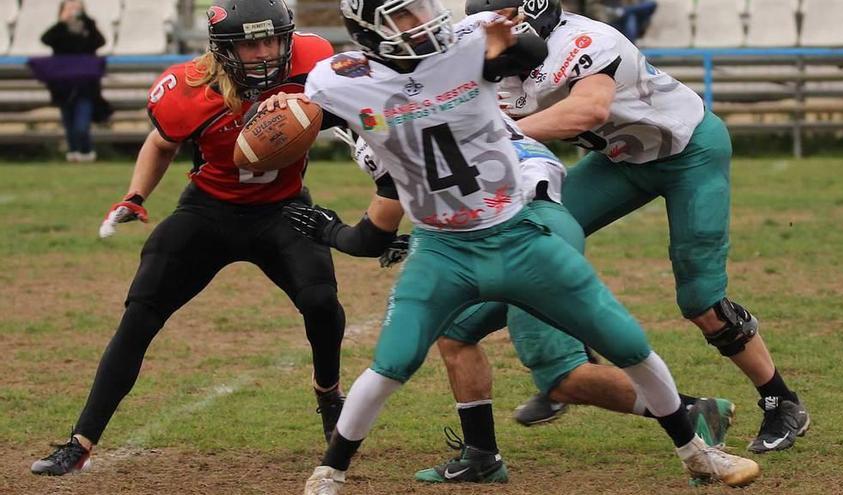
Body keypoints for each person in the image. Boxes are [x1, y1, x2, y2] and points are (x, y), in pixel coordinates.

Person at [258, 2, 759, 492]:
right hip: (442, 248)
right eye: (403, 14)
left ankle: (698, 454)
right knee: (391, 364)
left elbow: (527, 49)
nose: (422, 20)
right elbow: (310, 107)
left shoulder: (464, 46)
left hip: (518, 231)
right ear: (369, 28)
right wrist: (277, 110)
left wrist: (508, 42)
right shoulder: (340, 79)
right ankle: (329, 474)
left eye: (420, 8)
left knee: (627, 342)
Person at [465, 0, 810, 454]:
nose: (495, 33)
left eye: (503, 20)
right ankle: (566, 367)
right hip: (620, 158)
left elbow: (587, 111)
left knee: (700, 300)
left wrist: (502, 133)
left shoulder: (585, 40)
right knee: (533, 235)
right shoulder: (490, 47)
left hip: (688, 152)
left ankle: (781, 400)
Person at [30, 0, 346, 476]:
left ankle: (328, 392)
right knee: (141, 312)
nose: (264, 52)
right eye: (249, 43)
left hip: (283, 208)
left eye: (272, 40)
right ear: (223, 49)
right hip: (210, 210)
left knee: (322, 303)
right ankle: (80, 440)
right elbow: (161, 142)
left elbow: (358, 108)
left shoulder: (312, 59)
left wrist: (317, 112)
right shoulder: (188, 89)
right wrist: (135, 194)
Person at [325, 119, 737, 485]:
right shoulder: (458, 99)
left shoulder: (408, 122)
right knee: (456, 332)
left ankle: (695, 414)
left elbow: (378, 229)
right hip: (509, 220)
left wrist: (331, 232)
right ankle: (481, 455)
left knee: (563, 376)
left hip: (529, 234)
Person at [39, 0, 110, 163]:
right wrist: (61, 23)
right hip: (64, 86)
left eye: (77, 8)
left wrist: (87, 21)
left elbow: (100, 42)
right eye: (69, 8)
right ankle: (73, 152)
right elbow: (45, 39)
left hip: (85, 86)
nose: (73, 11)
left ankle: (86, 151)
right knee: (68, 122)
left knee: (81, 124)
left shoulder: (87, 29)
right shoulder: (60, 31)